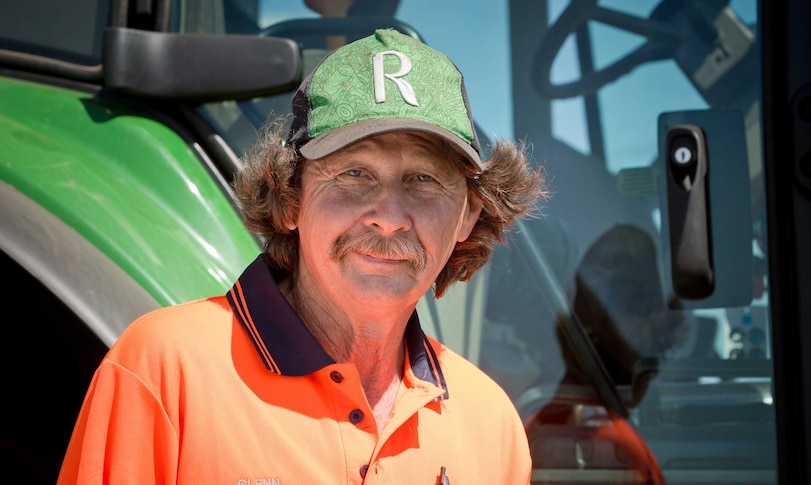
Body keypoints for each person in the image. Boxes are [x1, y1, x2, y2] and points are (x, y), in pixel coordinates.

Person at [57, 28, 547, 484]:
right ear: (290, 197)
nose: (390, 216)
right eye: (354, 173)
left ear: (467, 215)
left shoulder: (493, 426)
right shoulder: (163, 369)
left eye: (424, 179)